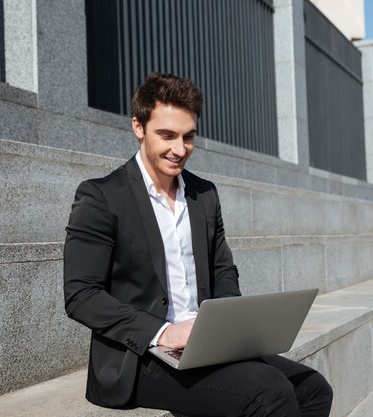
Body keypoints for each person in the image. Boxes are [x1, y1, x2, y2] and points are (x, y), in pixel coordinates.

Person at [63, 72, 333, 416]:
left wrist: (226, 327)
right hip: (143, 355)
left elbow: (223, 271)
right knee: (270, 392)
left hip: (206, 343)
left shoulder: (204, 195)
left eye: (188, 137)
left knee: (313, 389)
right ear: (138, 126)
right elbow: (81, 295)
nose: (180, 149)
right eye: (167, 135)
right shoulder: (101, 196)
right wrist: (164, 332)